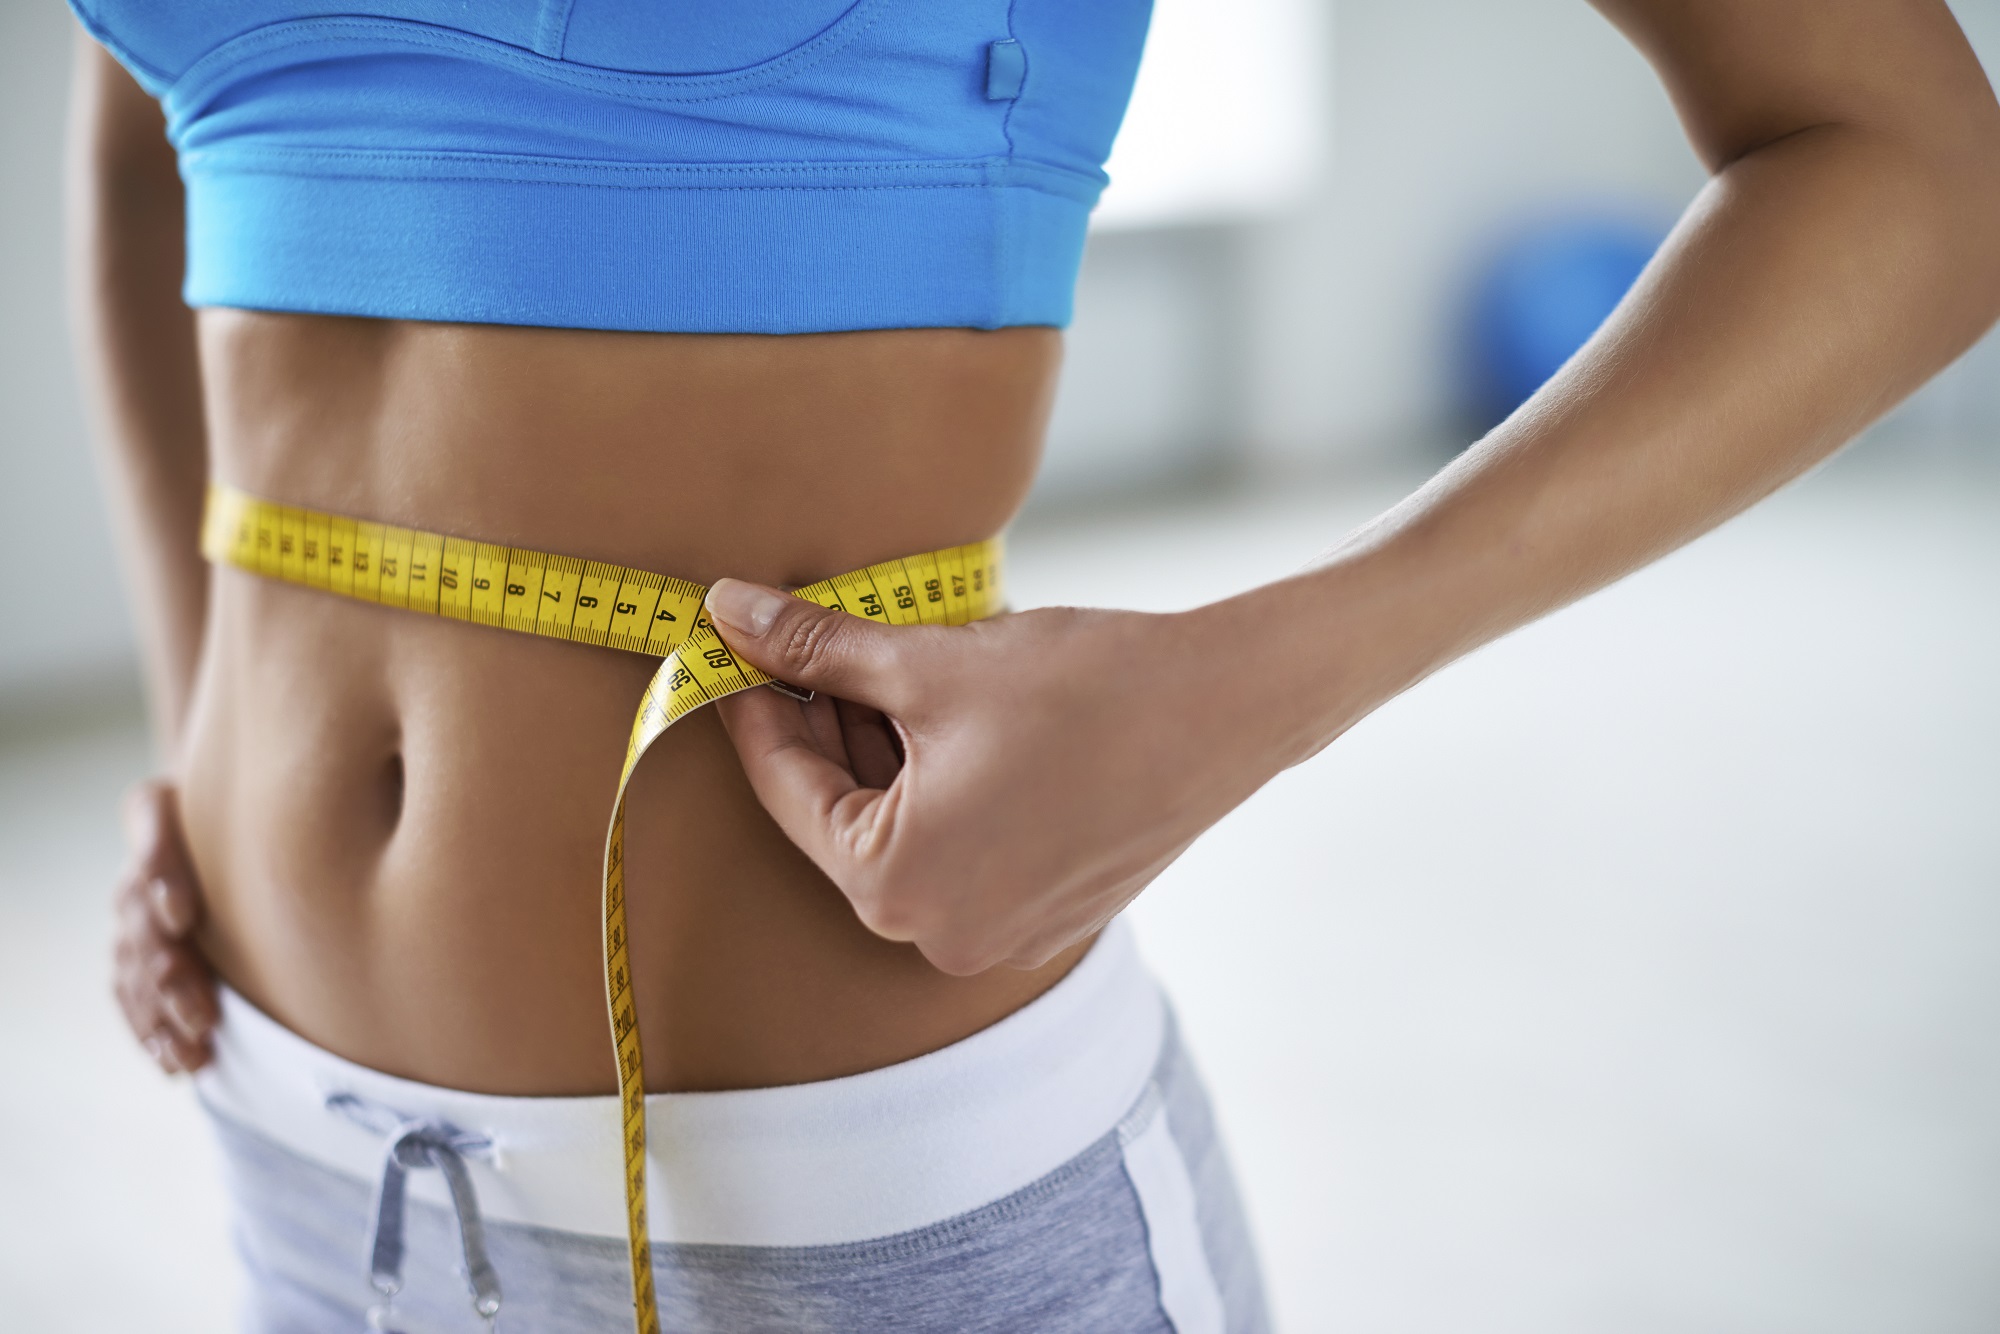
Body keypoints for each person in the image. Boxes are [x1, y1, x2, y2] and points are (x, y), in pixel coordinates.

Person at [84, 1, 2000, 1330]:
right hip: (296, 1149)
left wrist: (1261, 677)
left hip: (866, 1206)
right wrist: (207, 728)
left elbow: (1909, 163)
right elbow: (149, 134)